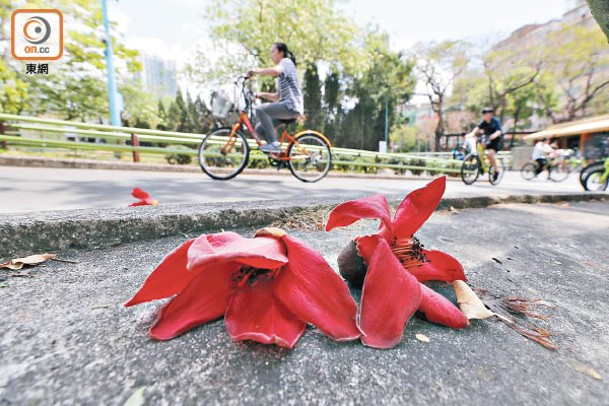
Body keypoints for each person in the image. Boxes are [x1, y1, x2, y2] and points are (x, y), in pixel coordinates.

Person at [245, 42, 304, 153]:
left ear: (281, 53)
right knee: (260, 129)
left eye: (273, 52)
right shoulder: (281, 77)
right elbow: (277, 97)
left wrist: (256, 71)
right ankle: (277, 154)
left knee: (260, 109)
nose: (271, 55)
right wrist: (260, 94)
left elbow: (274, 71)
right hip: (286, 107)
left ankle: (274, 144)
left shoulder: (286, 62)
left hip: (291, 106)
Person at [466, 107, 504, 179]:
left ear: (490, 115)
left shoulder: (495, 121)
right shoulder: (483, 122)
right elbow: (477, 129)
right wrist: (470, 135)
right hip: (487, 140)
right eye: (484, 114)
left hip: (496, 142)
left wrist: (494, 135)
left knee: (489, 154)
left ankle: (496, 170)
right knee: (478, 149)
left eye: (486, 114)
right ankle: (481, 165)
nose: (485, 116)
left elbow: (499, 131)